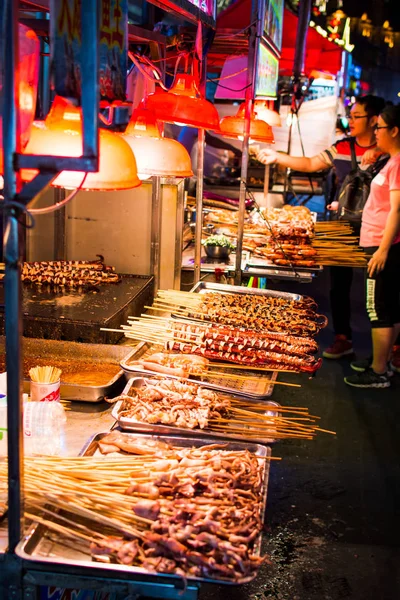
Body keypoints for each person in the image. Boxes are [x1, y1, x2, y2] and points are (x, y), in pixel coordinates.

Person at [257, 95, 386, 359]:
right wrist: (278, 156)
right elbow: (311, 163)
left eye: (355, 116)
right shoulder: (342, 147)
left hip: (380, 227)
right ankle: (343, 337)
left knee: (383, 286)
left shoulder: (391, 152)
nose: (349, 121)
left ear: (374, 120)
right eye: (349, 115)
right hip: (342, 225)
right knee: (339, 284)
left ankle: (391, 347)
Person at [344, 105, 400, 388]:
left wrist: (382, 250)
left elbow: (397, 211)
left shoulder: (399, 163)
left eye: (379, 127)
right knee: (388, 307)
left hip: (380, 244)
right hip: (378, 241)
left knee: (377, 308)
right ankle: (383, 362)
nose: (375, 132)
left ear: (394, 130)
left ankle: (379, 372)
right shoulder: (392, 160)